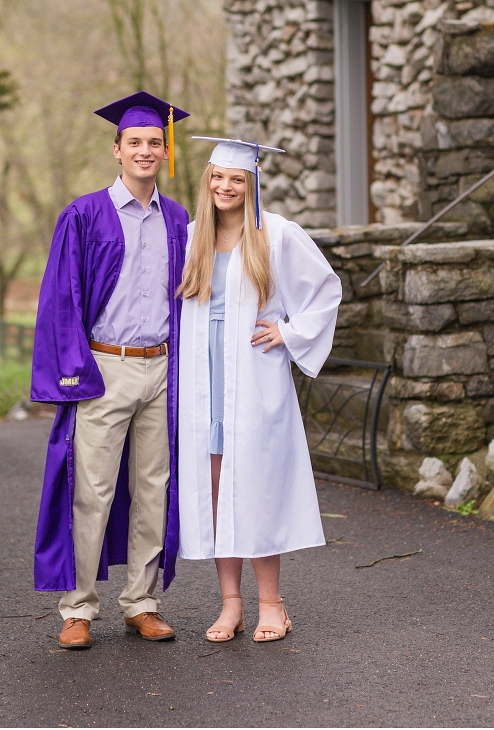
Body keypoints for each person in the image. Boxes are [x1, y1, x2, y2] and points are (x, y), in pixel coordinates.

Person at [30, 91, 190, 650]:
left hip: (162, 369)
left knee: (153, 489)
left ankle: (141, 603)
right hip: (104, 367)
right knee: (91, 491)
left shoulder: (178, 218)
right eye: (135, 142)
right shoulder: (85, 214)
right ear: (116, 150)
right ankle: (77, 608)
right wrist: (73, 372)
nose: (145, 151)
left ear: (165, 151)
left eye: (155, 143)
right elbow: (61, 299)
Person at [177, 137, 342, 643]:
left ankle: (273, 604)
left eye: (237, 179)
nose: (225, 186)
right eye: (218, 177)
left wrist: (289, 333)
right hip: (203, 380)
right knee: (217, 491)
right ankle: (231, 605)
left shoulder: (277, 234)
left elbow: (325, 289)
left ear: (252, 185)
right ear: (207, 180)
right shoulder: (191, 236)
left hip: (253, 376)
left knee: (256, 487)